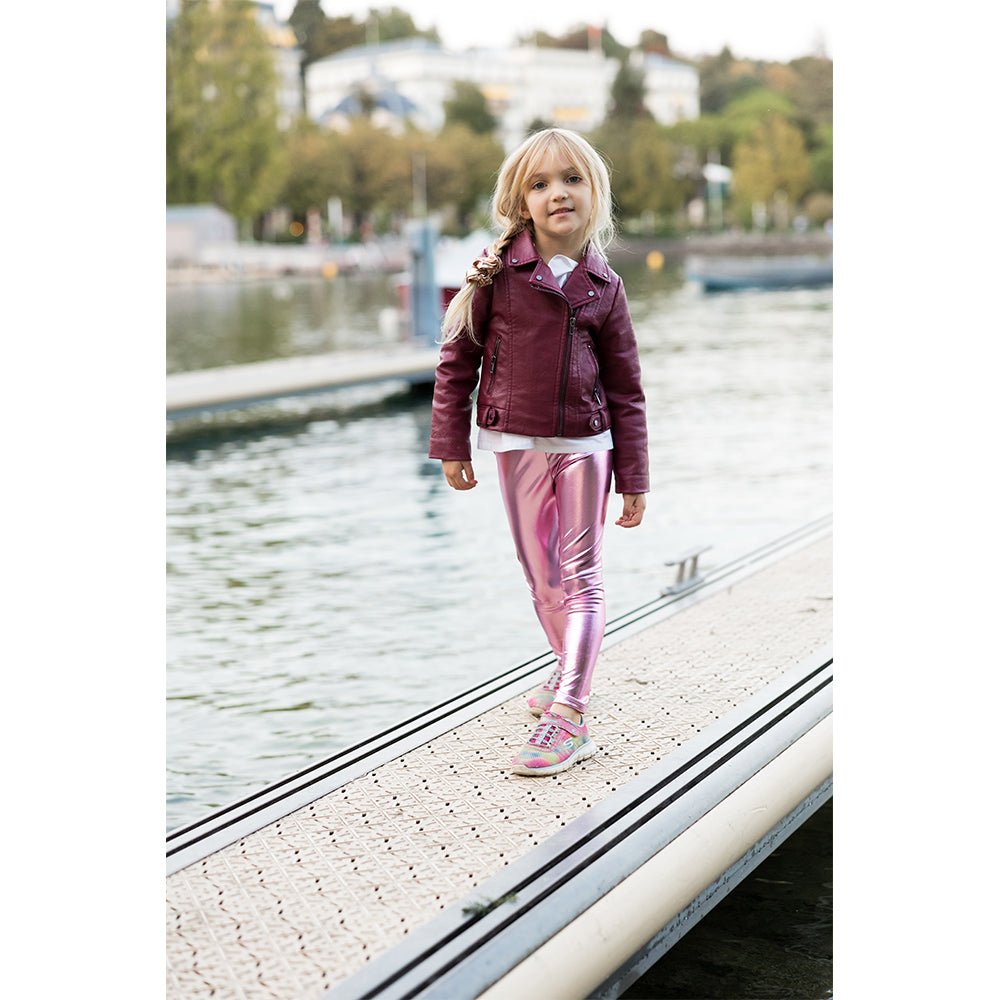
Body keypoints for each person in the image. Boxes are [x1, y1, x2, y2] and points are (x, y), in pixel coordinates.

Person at [428, 128, 649, 777]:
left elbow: (627, 389)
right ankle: (567, 669)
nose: (558, 193)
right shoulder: (497, 275)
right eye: (541, 183)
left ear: (594, 193)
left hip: (587, 442)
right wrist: (451, 442)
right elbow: (456, 363)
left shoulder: (605, 287)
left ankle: (570, 712)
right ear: (520, 200)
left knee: (581, 577)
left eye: (572, 179)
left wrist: (633, 476)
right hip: (514, 439)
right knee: (542, 577)